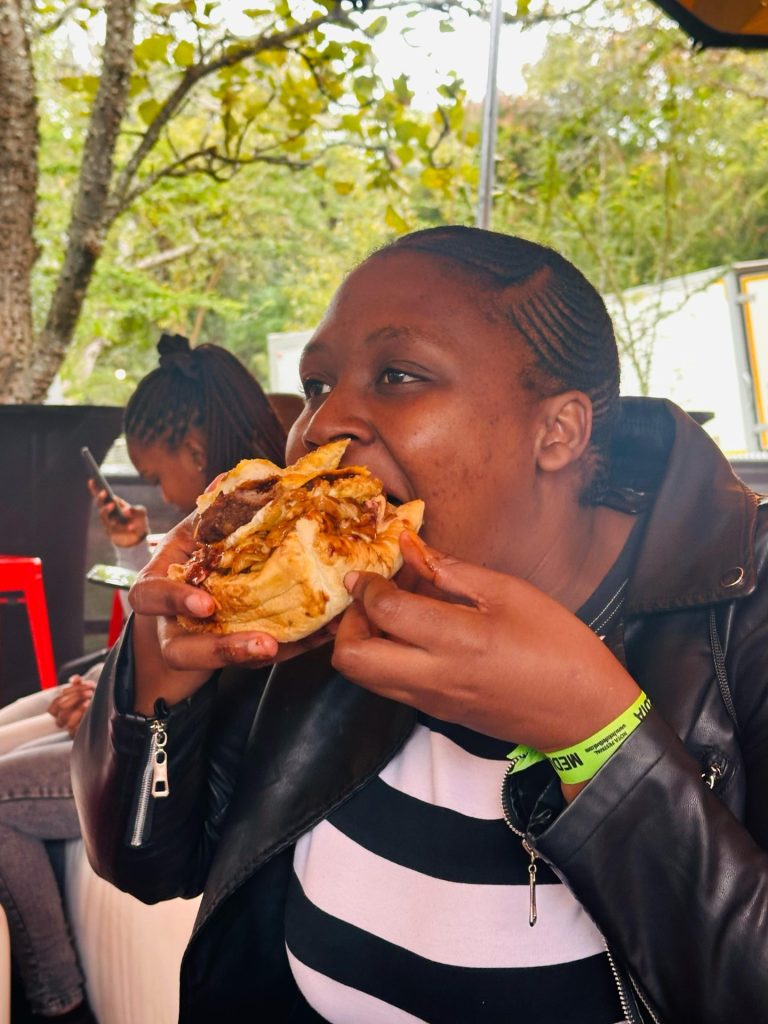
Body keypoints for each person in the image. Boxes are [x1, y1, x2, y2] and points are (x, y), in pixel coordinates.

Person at [73, 227, 768, 1024]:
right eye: (316, 385)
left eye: (397, 375)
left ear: (559, 431)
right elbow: (148, 864)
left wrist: (598, 738)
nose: (320, 425)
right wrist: (159, 679)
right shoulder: (322, 610)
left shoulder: (744, 613)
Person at [0, 334, 289, 1023]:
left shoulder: (253, 541)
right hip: (152, 718)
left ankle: (57, 999)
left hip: (182, 756)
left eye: (157, 478)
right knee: (20, 718)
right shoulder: (228, 523)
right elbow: (175, 636)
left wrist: (116, 705)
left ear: (195, 448)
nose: (160, 495)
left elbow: (215, 678)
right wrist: (136, 552)